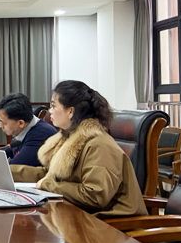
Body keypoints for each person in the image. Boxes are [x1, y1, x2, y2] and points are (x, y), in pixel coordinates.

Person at [11, 80, 146, 217]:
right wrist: (9, 172)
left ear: (70, 111)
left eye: (53, 106)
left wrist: (49, 185)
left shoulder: (100, 146)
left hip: (109, 222)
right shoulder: (69, 137)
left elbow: (94, 196)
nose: (50, 111)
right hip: (77, 214)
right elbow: (49, 175)